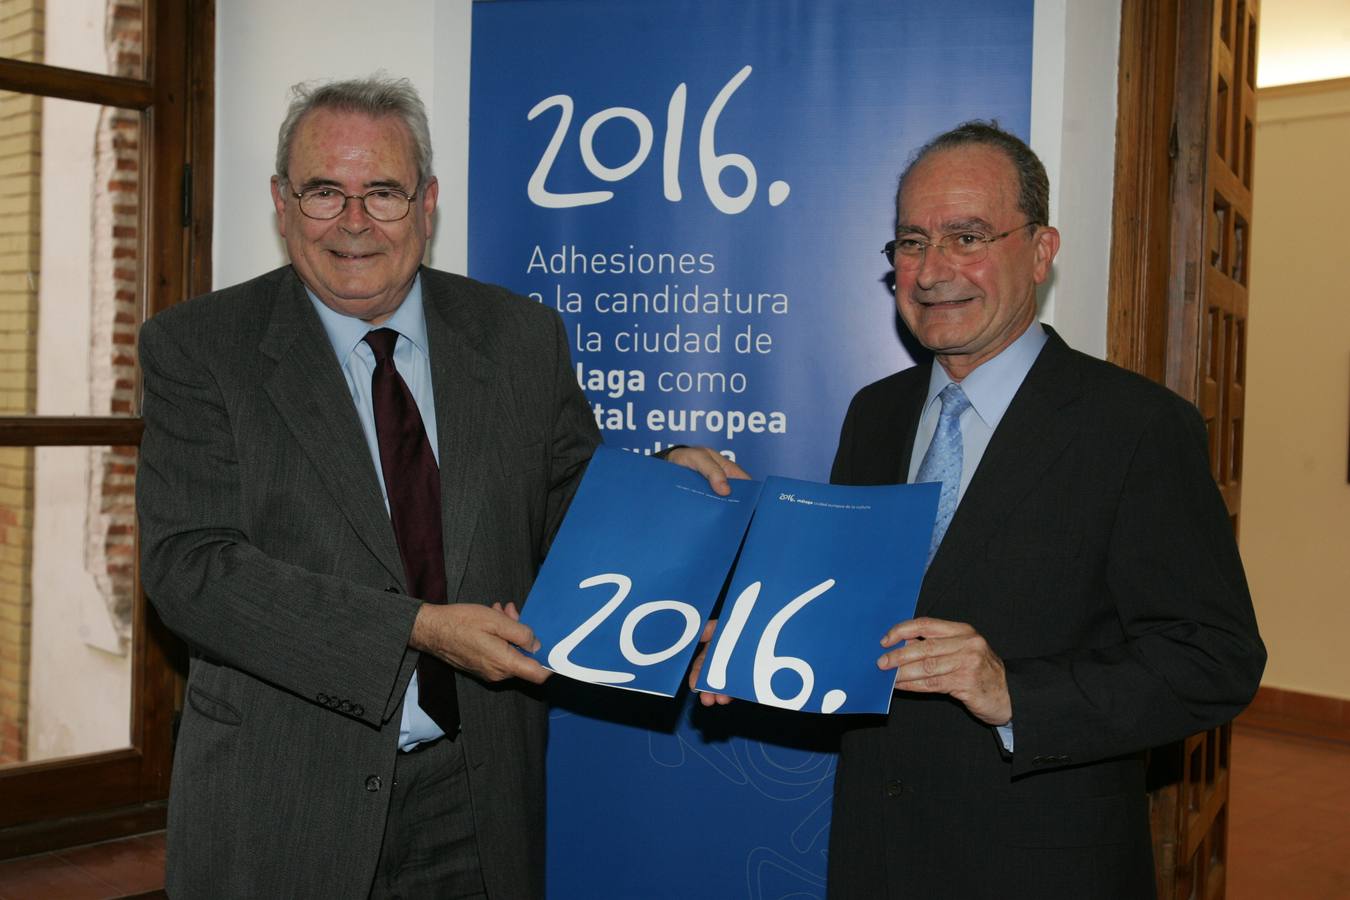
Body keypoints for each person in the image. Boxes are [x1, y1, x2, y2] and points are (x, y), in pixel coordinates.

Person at [137, 75, 736, 899]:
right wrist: (415, 630)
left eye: (382, 191)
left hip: (477, 796)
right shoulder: (200, 348)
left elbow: (571, 507)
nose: (354, 222)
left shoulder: (520, 336)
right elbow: (192, 571)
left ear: (428, 202)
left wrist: (664, 488)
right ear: (282, 202)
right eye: (324, 192)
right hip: (281, 805)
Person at [692, 121, 1264, 898]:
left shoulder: (1137, 427)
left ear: (1040, 250)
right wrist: (762, 647)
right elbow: (862, 626)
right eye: (911, 242)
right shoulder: (875, 415)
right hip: (877, 857)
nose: (931, 272)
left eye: (967, 237)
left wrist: (1013, 693)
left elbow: (1215, 660)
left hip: (1045, 868)